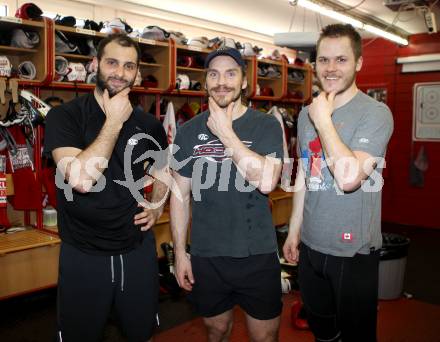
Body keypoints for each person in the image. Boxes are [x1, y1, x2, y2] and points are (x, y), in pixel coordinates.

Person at [44, 33, 168, 342]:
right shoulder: (65, 117)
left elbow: (164, 169)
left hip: (136, 252)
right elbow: (81, 180)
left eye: (129, 66)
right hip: (84, 254)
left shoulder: (148, 124)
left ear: (137, 73)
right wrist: (113, 122)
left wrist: (158, 204)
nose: (120, 73)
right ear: (96, 64)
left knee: (141, 334)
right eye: (112, 63)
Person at [283, 24, 394, 342]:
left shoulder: (375, 114)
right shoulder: (306, 115)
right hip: (312, 247)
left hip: (353, 251)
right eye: (323, 60)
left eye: (341, 60)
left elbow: (348, 178)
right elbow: (307, 171)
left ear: (359, 62)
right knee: (323, 333)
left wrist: (323, 119)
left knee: (356, 336)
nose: (330, 68)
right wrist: (294, 229)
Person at [170, 47, 284, 342]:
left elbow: (268, 181)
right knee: (216, 330)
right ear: (206, 81)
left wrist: (226, 133)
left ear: (244, 82)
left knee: (264, 337)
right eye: (214, 74)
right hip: (208, 255)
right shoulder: (188, 131)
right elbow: (180, 195)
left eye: (231, 74)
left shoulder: (266, 125)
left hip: (256, 254)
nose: (222, 82)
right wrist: (181, 253)